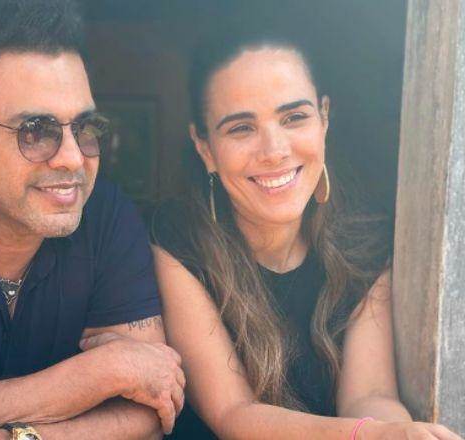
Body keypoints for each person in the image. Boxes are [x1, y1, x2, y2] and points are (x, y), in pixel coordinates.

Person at [0, 1, 185, 439]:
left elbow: (149, 412)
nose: (73, 159)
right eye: (34, 131)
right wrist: (104, 371)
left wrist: (9, 438)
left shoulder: (105, 213)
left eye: (85, 128)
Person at [150, 30, 462, 439]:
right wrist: (369, 436)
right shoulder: (176, 240)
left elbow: (369, 394)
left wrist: (399, 433)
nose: (274, 150)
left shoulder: (363, 242)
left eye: (294, 117)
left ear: (324, 118)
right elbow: (233, 413)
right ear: (205, 147)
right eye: (241, 128)